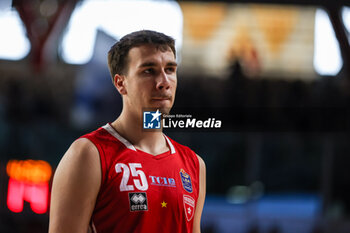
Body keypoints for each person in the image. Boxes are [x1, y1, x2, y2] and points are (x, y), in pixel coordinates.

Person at [49, 30, 206, 233]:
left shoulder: (194, 164)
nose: (164, 82)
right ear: (120, 83)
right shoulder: (88, 154)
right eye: (149, 71)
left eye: (170, 69)